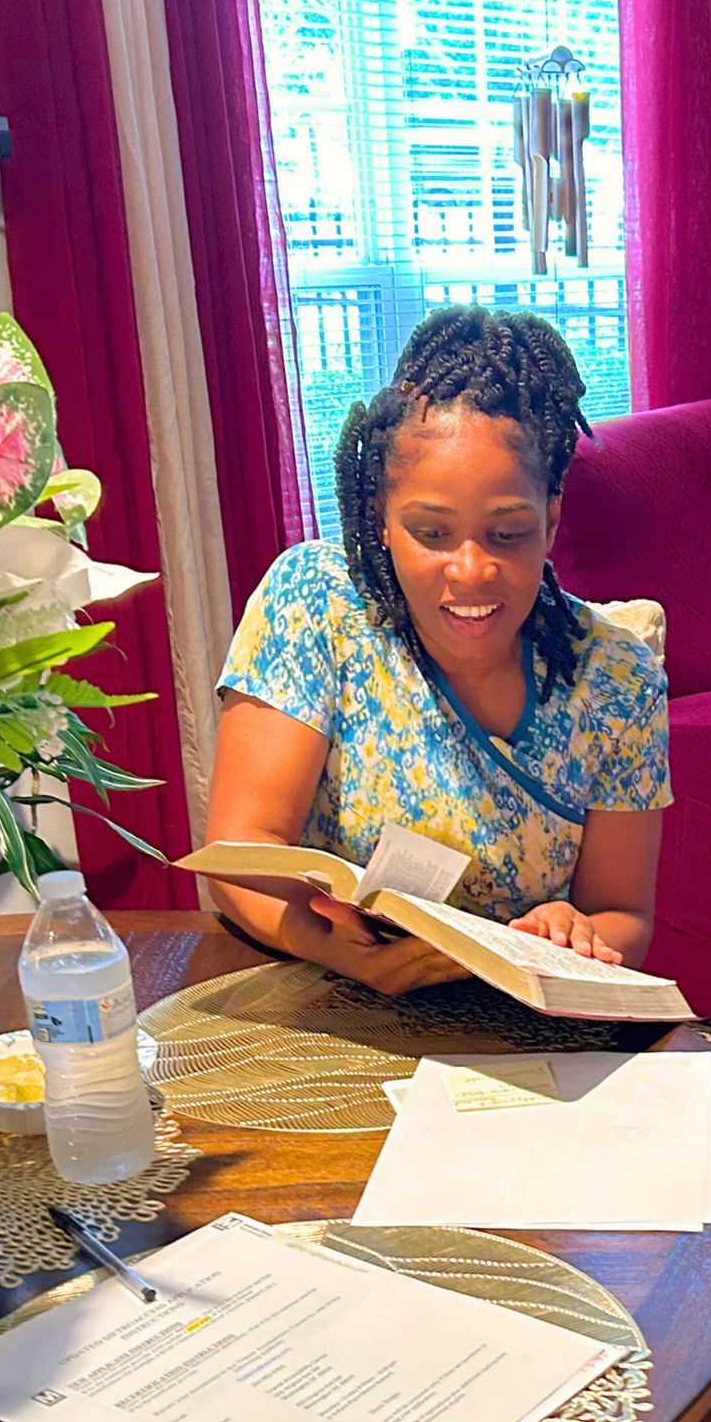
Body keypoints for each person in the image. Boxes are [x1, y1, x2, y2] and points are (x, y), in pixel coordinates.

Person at [205, 306, 668, 993]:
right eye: (431, 532)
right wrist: (335, 946)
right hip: (326, 993)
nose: (472, 570)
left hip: (516, 1021)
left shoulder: (616, 678)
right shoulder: (319, 604)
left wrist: (576, 931)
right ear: (381, 522)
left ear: (551, 517)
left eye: (507, 534)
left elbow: (623, 912)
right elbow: (241, 852)